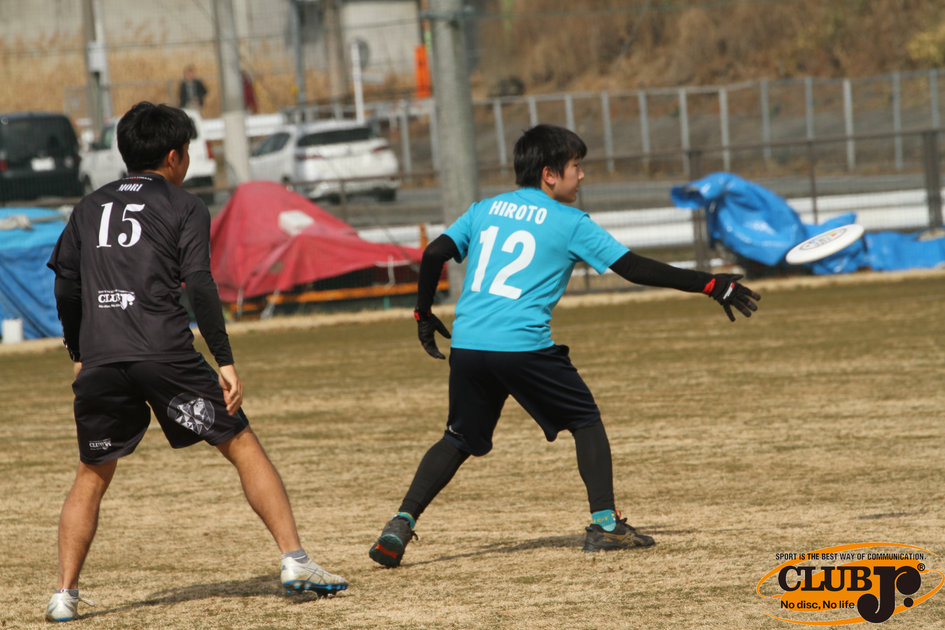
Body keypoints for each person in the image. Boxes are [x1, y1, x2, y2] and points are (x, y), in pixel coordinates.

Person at [369, 124, 760, 568]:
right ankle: (606, 525)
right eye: (577, 166)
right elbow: (634, 268)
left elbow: (433, 253)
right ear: (550, 174)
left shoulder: (484, 209)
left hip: (470, 345)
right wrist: (711, 284)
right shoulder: (571, 222)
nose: (582, 175)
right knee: (585, 420)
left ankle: (400, 524)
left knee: (458, 437)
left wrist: (423, 313)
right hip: (521, 346)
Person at [44, 102, 347, 622]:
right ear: (173, 156)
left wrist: (78, 351)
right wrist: (224, 359)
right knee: (242, 444)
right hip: (164, 354)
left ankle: (63, 596)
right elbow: (200, 284)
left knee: (91, 474)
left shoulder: (88, 206)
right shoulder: (184, 205)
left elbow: (66, 287)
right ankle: (295, 561)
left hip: (102, 359)